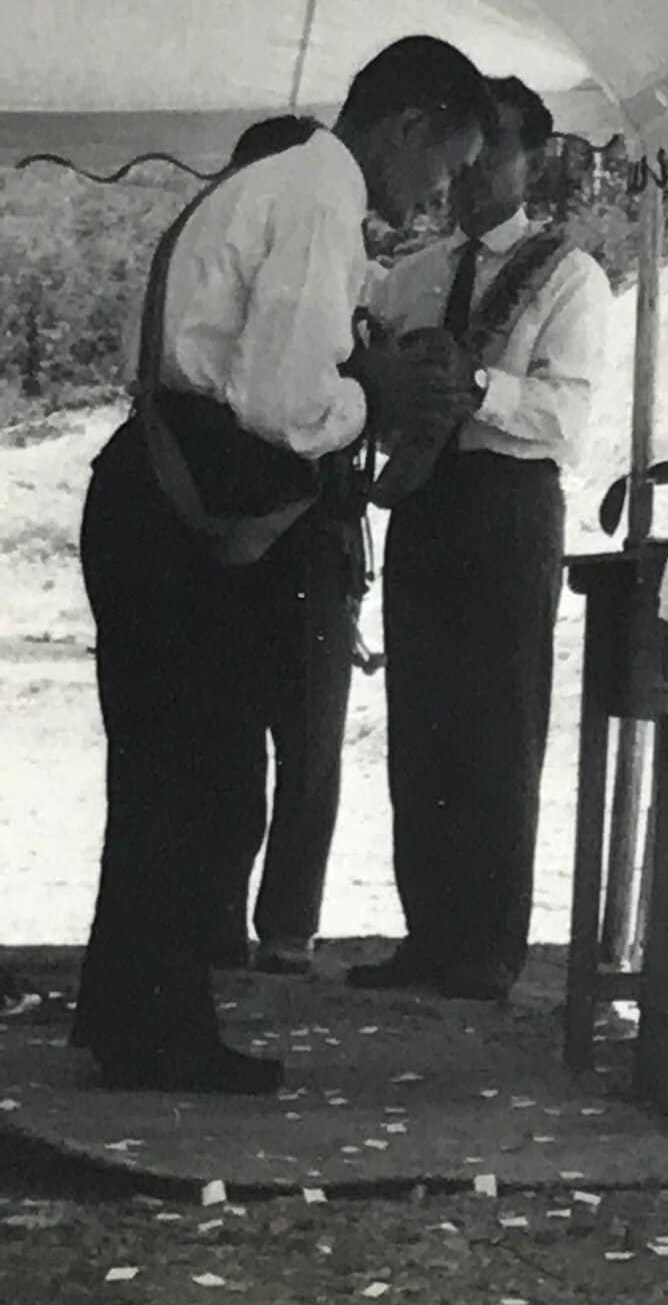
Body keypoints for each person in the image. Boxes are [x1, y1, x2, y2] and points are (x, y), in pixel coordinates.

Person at [72, 37, 493, 1094]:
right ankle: (155, 1034)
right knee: (201, 777)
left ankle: (129, 1012)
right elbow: (281, 402)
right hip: (187, 497)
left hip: (162, 488)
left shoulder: (288, 183)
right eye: (439, 169)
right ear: (404, 128)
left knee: (168, 771)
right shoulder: (315, 199)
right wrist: (376, 398)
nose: (433, 198)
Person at [349, 77, 609, 1001]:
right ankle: (428, 936)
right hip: (425, 500)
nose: (474, 171)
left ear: (534, 158)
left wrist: (481, 389)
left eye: (496, 149)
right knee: (422, 723)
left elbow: (567, 417)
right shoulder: (412, 274)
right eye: (468, 149)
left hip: (508, 501)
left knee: (498, 725)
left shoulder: (569, 277)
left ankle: (490, 946)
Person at [203, 114, 364, 977]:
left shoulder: (332, 266)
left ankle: (287, 925)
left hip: (314, 539)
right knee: (231, 743)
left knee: (308, 747)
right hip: (239, 535)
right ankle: (225, 920)